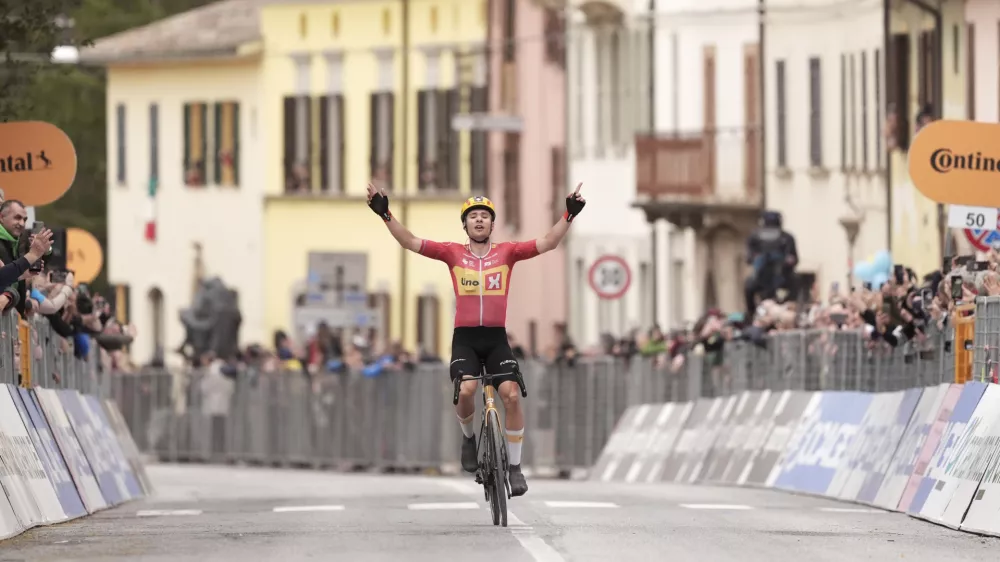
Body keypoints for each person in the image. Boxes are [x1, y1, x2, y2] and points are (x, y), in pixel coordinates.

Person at [366, 182, 586, 497]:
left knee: (511, 395)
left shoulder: (507, 252)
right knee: (467, 389)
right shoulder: (452, 253)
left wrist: (568, 214)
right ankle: (469, 438)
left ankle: (514, 467)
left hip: (496, 338)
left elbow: (549, 242)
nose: (479, 220)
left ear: (492, 224)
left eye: (485, 215)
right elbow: (410, 241)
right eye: (473, 216)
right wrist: (385, 213)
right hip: (466, 339)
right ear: (465, 224)